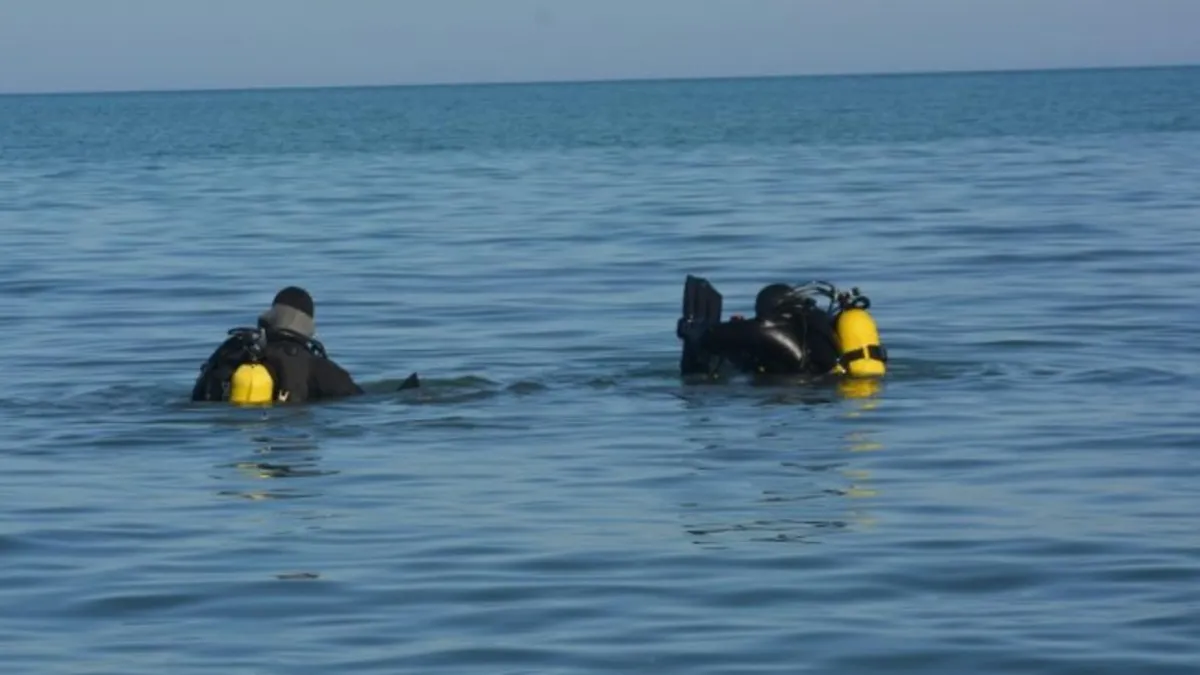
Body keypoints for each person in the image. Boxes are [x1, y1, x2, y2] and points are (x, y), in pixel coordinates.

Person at [676, 275, 887, 380]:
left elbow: (759, 330)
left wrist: (698, 332)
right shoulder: (812, 322)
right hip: (830, 385)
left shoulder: (780, 330)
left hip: (814, 388)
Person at [191, 286, 365, 405]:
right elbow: (356, 398)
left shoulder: (232, 348)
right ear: (308, 326)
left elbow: (198, 392)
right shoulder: (314, 365)